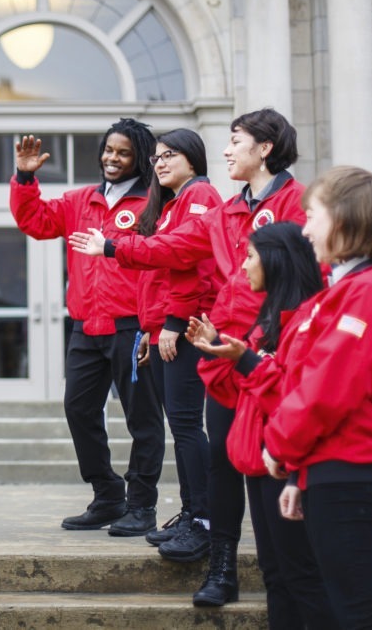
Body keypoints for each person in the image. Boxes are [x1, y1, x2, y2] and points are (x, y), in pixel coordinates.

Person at [72, 107, 305, 606]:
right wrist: (117, 251)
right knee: (222, 461)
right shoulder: (224, 210)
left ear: (265, 148)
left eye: (236, 141)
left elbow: (298, 284)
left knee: (267, 471)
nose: (226, 150)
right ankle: (222, 567)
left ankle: (284, 582)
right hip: (224, 355)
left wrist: (173, 321)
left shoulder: (294, 202)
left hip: (273, 360)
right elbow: (177, 250)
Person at [265, 167, 372, 628]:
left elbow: (329, 389)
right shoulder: (351, 288)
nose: (305, 228)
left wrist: (280, 446)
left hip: (350, 465)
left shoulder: (369, 291)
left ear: (344, 218)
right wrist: (300, 476)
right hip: (333, 465)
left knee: (358, 611)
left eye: (313, 216)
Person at [11, 120, 165, 537]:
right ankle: (107, 494)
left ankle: (142, 505)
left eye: (123, 153)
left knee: (143, 418)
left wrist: (158, 322)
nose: (112, 159)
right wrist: (26, 178)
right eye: (108, 150)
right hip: (86, 327)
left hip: (132, 327)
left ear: (141, 159)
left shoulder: (154, 201)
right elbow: (36, 222)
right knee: (79, 409)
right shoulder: (81, 200)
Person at [189, 221, 337, 628]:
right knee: (277, 575)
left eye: (250, 256)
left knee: (302, 576)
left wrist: (244, 360)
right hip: (260, 461)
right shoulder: (269, 318)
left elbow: (296, 399)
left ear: (275, 261)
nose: (244, 267)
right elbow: (241, 393)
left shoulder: (306, 320)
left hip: (287, 462)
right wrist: (222, 351)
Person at [112, 129, 221, 562]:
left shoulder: (201, 196)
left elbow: (190, 265)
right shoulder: (175, 203)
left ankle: (205, 519)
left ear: (193, 158)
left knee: (188, 425)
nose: (159, 163)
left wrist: (174, 323)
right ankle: (193, 511)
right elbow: (160, 276)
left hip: (188, 329)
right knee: (182, 427)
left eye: (169, 155)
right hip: (164, 330)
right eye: (155, 157)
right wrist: (149, 332)